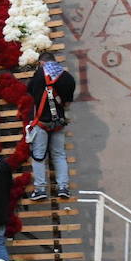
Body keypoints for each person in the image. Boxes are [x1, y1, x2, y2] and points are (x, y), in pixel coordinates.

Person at [27, 51, 76, 200]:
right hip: (59, 122)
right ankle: (63, 187)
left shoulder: (38, 76)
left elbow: (30, 92)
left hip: (41, 121)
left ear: (42, 63)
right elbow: (67, 102)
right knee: (59, 155)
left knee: (39, 156)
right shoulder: (67, 77)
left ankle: (41, 189)